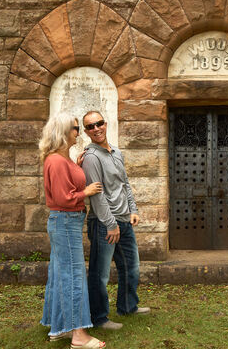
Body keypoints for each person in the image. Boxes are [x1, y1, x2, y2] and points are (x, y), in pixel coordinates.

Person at [38, 112, 106, 349]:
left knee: (59, 273)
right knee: (74, 276)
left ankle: (58, 327)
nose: (79, 132)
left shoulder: (63, 158)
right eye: (76, 128)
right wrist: (85, 193)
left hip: (67, 222)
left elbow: (67, 183)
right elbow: (63, 197)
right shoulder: (56, 160)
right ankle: (78, 335)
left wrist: (76, 168)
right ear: (63, 132)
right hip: (66, 221)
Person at [80, 110, 150, 331]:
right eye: (90, 126)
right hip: (103, 224)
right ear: (86, 132)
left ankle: (128, 306)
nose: (96, 129)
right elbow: (97, 195)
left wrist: (132, 209)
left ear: (105, 124)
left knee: (131, 266)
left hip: (124, 221)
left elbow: (125, 184)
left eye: (99, 123)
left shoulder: (116, 153)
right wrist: (111, 224)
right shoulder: (91, 158)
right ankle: (99, 318)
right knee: (100, 274)